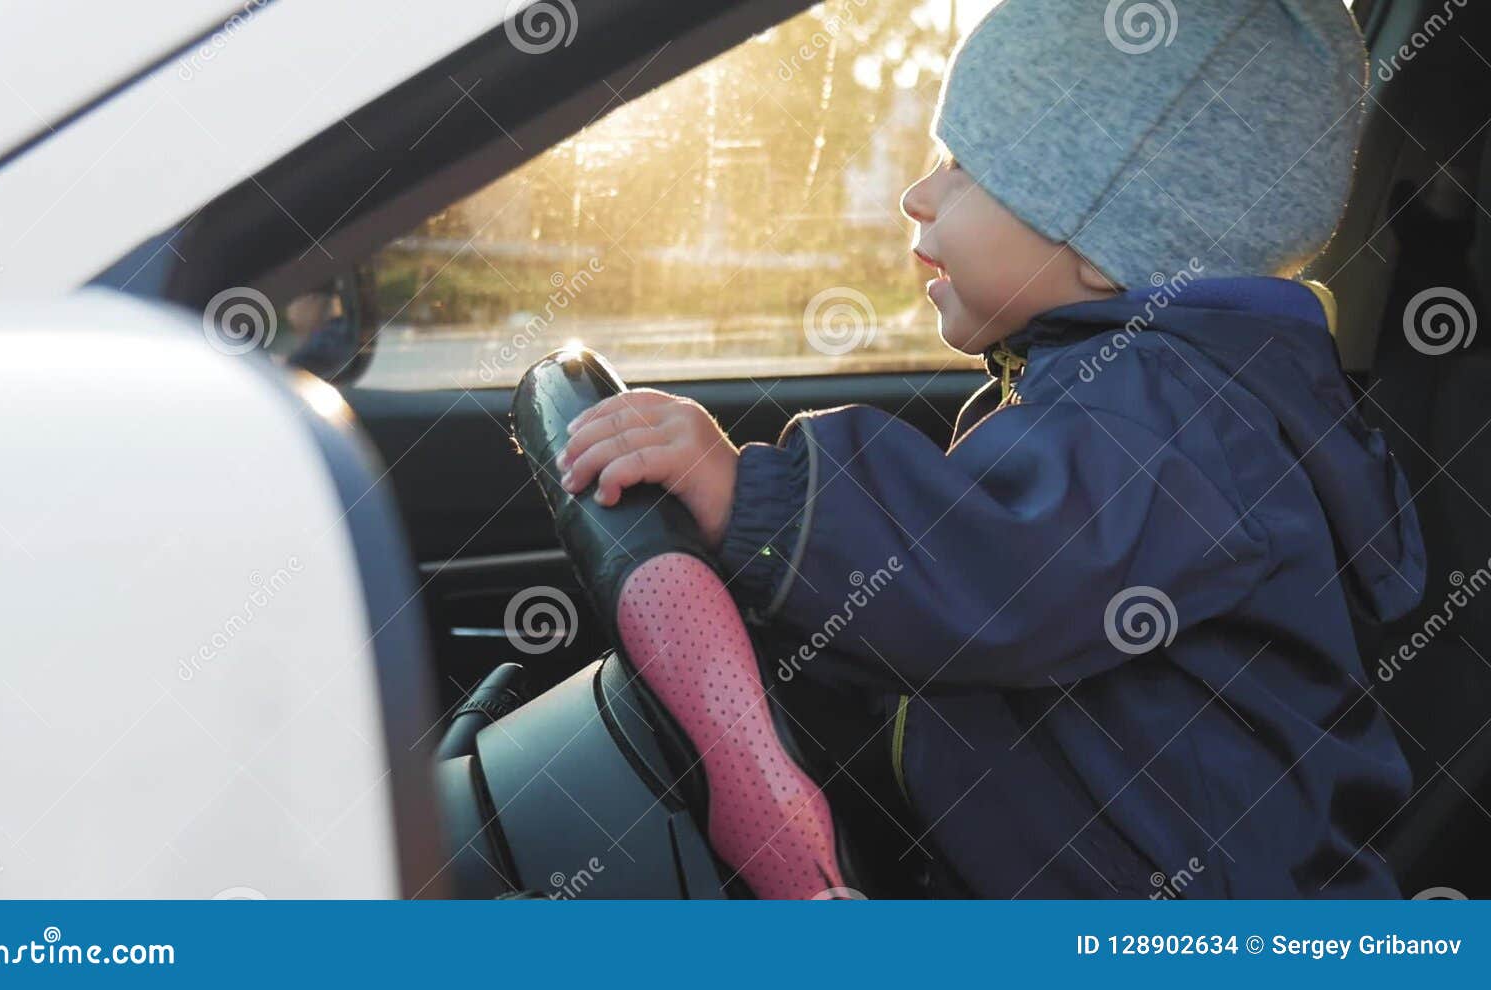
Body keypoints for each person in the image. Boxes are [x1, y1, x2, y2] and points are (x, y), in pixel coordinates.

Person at [556, 0, 1424, 898]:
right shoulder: (1135, 393)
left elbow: (992, 565)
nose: (916, 195)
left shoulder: (1168, 420)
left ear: (1104, 239)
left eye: (966, 167)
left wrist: (753, 498)